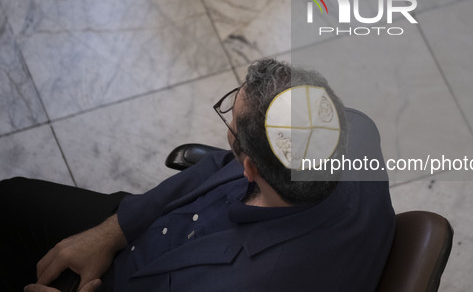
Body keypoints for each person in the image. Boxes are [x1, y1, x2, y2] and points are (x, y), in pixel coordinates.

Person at [0, 59, 395, 292]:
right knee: (11, 201)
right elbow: (215, 168)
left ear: (251, 169)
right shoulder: (353, 130)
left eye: (232, 121)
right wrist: (113, 229)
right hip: (145, 224)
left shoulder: (245, 281)